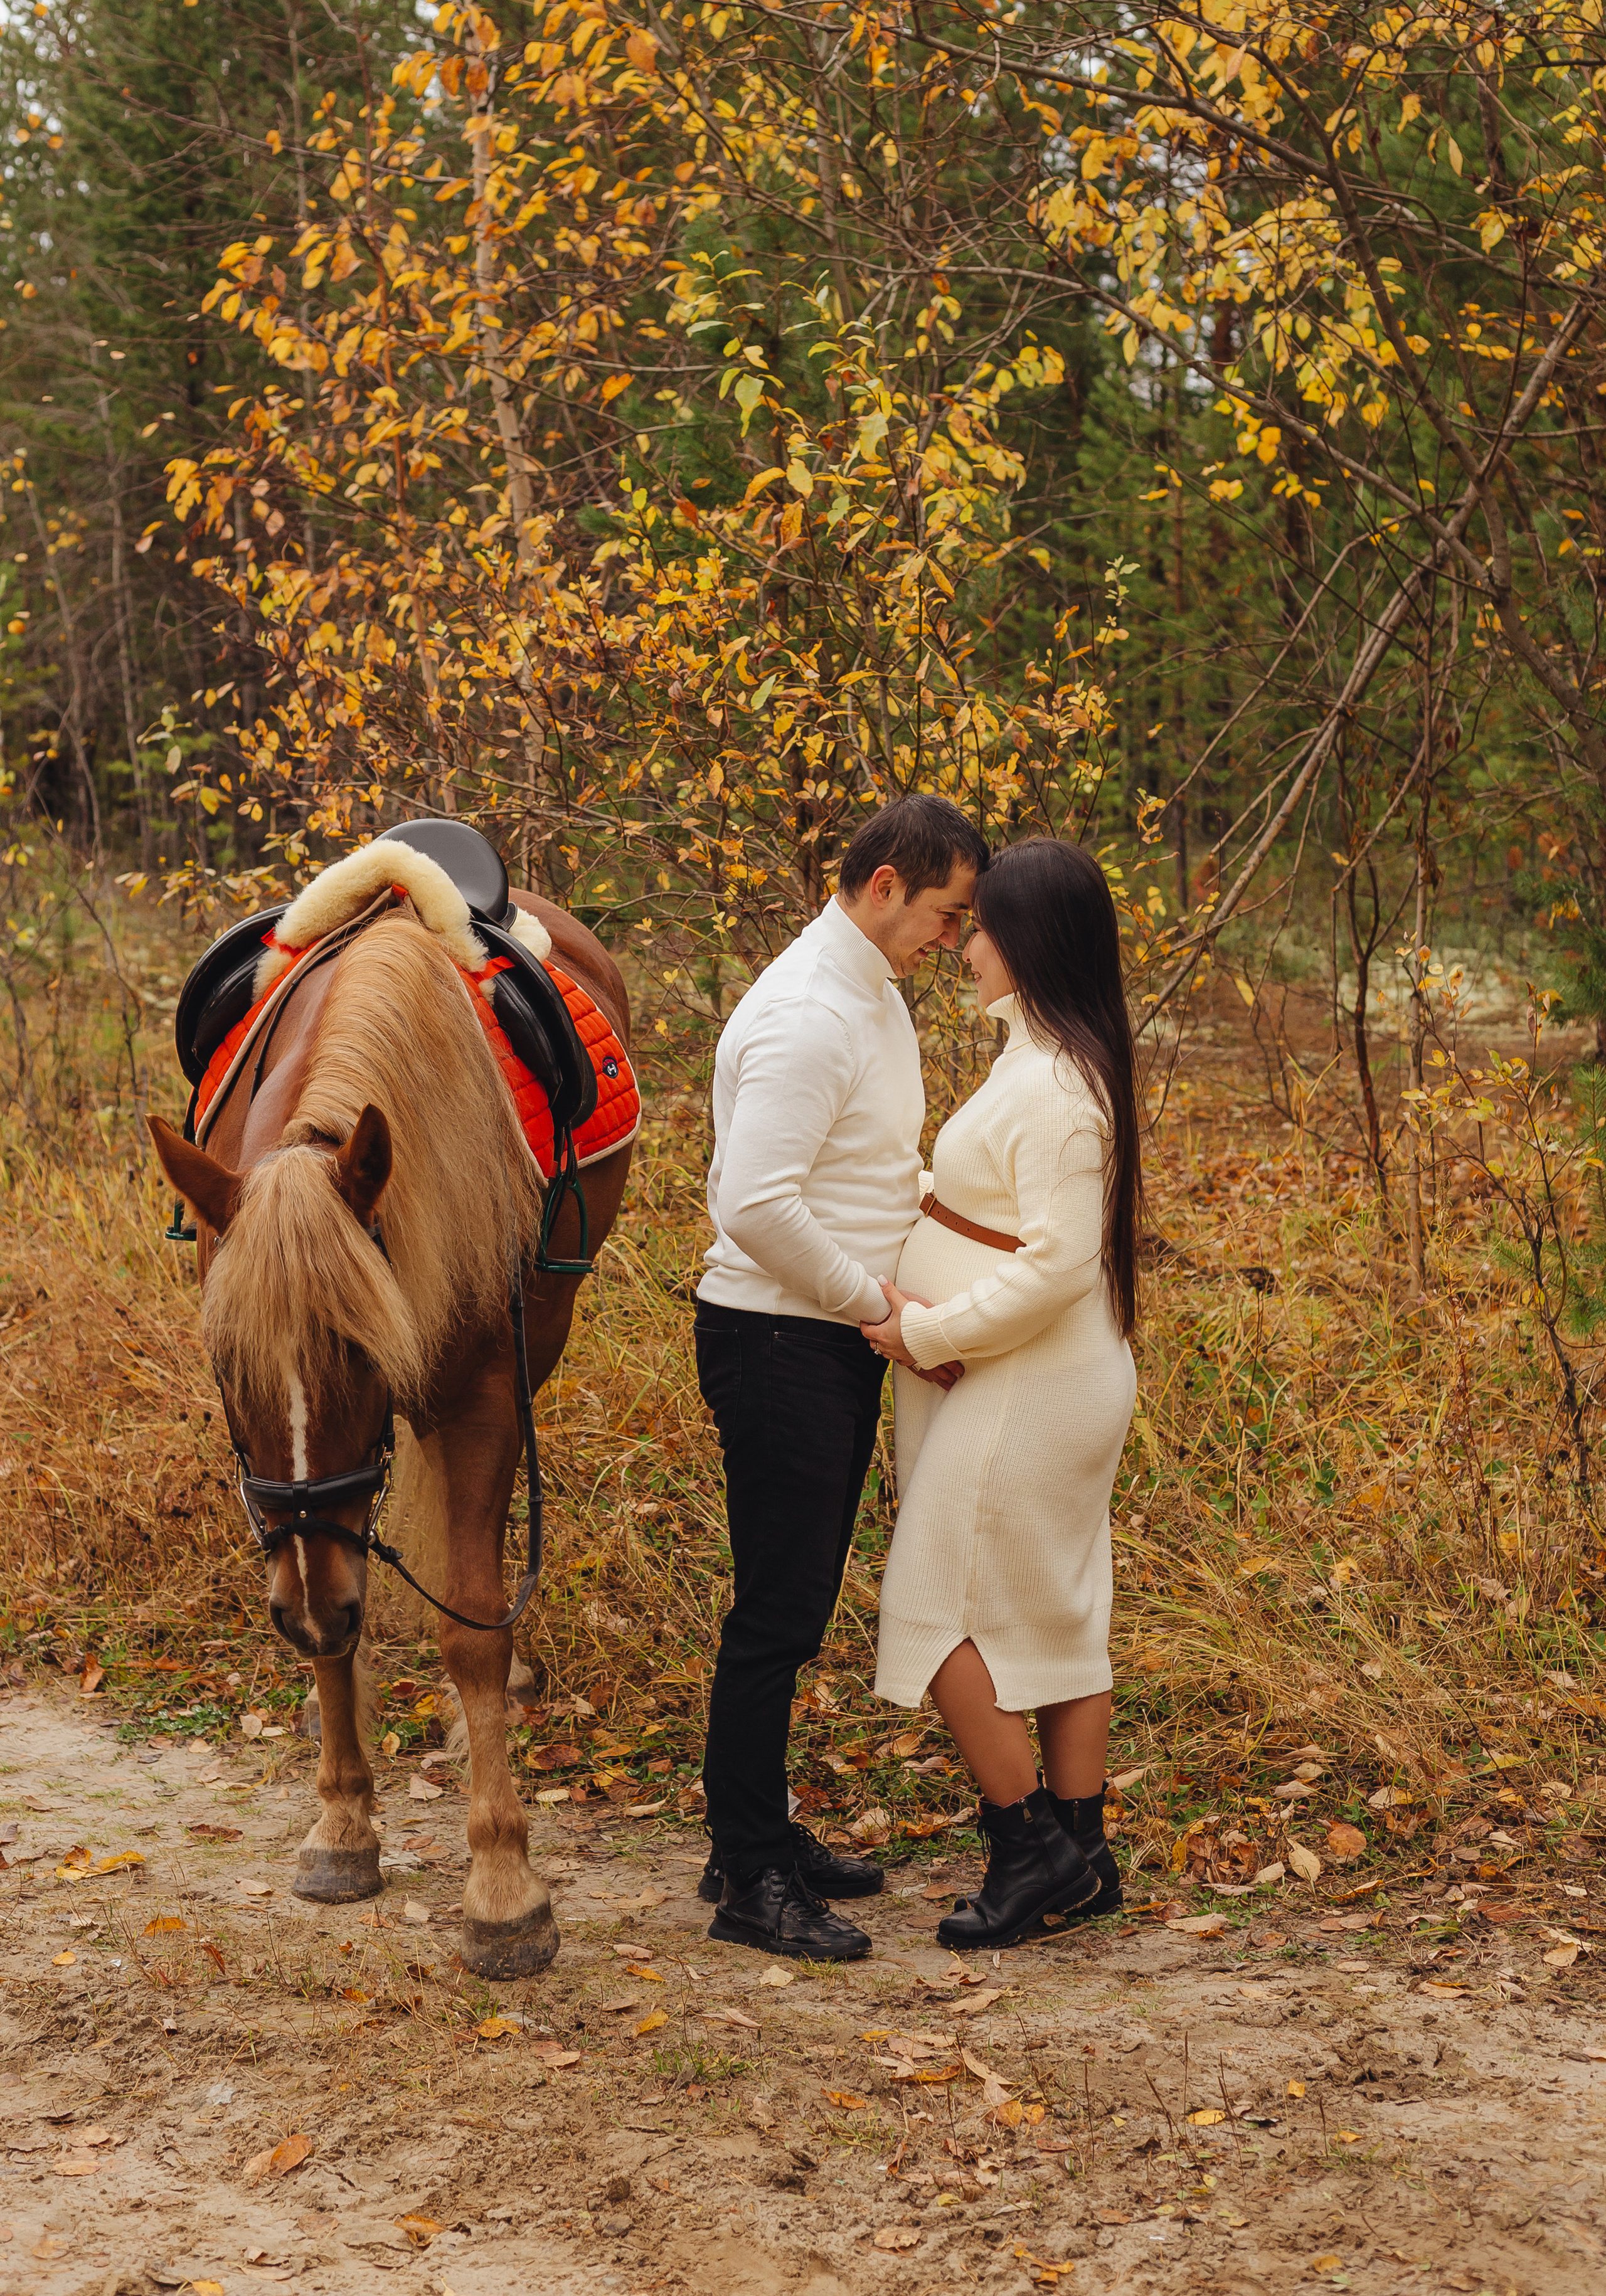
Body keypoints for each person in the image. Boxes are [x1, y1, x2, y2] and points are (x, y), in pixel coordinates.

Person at [694, 792, 989, 1959]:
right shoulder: (812, 1012)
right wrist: (882, 1310)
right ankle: (750, 1879)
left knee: (792, 1601)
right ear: (882, 888)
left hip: (819, 1336)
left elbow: (870, 1171)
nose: (953, 938)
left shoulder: (869, 994)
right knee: (777, 1611)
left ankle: (750, 1830)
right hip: (780, 1340)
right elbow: (752, 1203)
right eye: (944, 912)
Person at [861, 838, 1143, 1949]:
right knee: (1062, 1613)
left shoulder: (1061, 1085)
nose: (964, 941)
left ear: (1026, 941)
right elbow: (1001, 1211)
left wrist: (924, 1326)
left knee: (929, 1607)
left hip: (1036, 1378)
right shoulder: (1042, 1055)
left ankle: (1030, 1850)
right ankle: (1085, 1851)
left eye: (980, 925)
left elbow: (1057, 1262)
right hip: (1046, 1373)